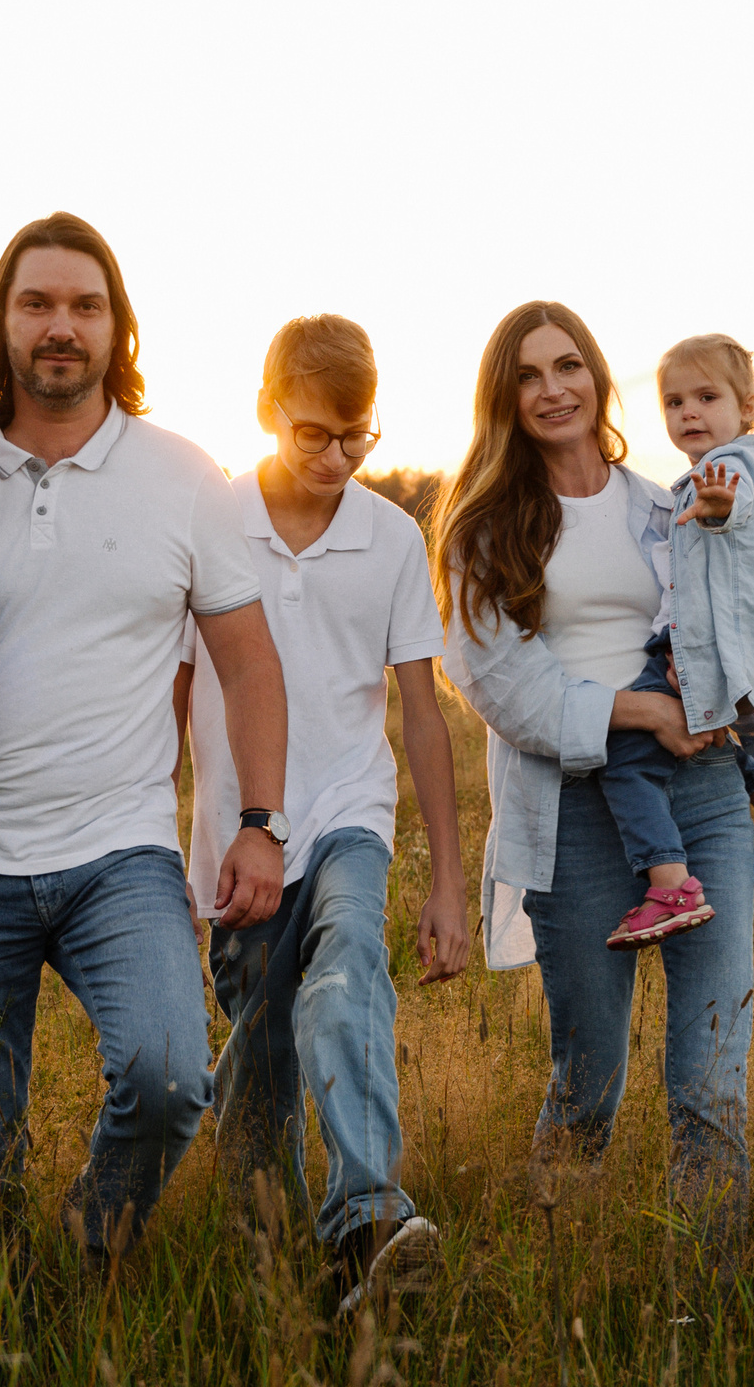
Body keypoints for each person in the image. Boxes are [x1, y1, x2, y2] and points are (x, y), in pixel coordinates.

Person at [0, 212, 291, 1265]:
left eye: (84, 305)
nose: (60, 325)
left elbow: (249, 664)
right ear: (4, 323)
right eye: (37, 304)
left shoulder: (184, 474)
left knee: (168, 1080)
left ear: (118, 328)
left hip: (119, 855)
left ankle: (80, 1258)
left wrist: (260, 823)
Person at [431, 300, 754, 1267]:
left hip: (702, 791)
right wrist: (639, 710)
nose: (553, 389)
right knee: (590, 1074)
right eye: (528, 376)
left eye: (568, 366)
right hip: (571, 804)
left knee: (711, 1061)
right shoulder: (486, 526)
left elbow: (739, 625)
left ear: (598, 377)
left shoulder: (668, 506)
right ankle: (555, 1270)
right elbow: (494, 680)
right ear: (506, 397)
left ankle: (707, 1285)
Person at [175, 314, 469, 1317]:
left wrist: (446, 884)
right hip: (237, 835)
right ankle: (297, 1293)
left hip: (349, 805)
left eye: (358, 437)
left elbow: (421, 717)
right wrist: (172, 851)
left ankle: (368, 1220)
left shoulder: (390, 535)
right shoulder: (209, 522)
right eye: (314, 436)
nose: (338, 457)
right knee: (258, 1066)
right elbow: (171, 697)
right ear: (266, 413)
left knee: (348, 970)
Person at [594, 334, 754, 949]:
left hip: (693, 650)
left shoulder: (728, 472)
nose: (687, 412)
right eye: (673, 401)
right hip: (719, 655)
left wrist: (718, 506)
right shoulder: (717, 473)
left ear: (747, 408)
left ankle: (669, 885)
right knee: (709, 732)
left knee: (624, 757)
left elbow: (731, 506)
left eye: (706, 396)